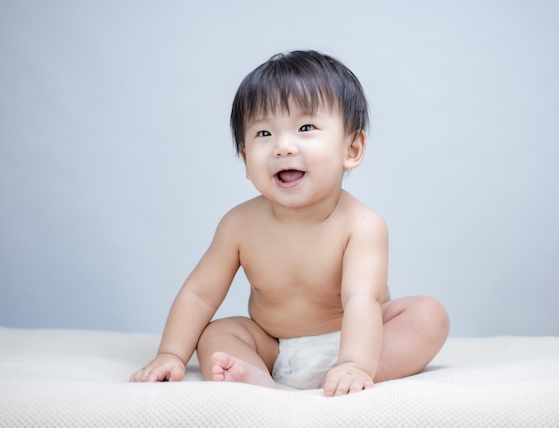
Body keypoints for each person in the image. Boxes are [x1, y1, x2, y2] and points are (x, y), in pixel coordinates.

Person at [130, 50, 449, 396]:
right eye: (264, 133)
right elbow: (200, 293)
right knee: (217, 334)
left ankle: (352, 375)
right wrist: (171, 353)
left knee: (427, 316)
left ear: (352, 149)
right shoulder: (239, 224)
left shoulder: (361, 225)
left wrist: (355, 361)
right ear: (246, 159)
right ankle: (260, 382)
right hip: (274, 347)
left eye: (306, 127)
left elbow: (362, 299)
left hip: (357, 340)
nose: (282, 146)